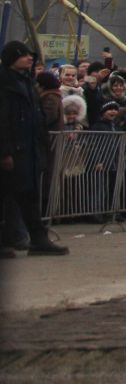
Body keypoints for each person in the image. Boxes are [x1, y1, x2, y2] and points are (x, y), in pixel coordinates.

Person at [1, 42, 67, 256]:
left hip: (28, 149)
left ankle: (38, 239)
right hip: (13, 149)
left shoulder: (28, 82)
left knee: (29, 197)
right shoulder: (5, 83)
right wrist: (5, 151)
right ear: (12, 58)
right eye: (24, 56)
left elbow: (35, 118)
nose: (30, 59)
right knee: (7, 198)